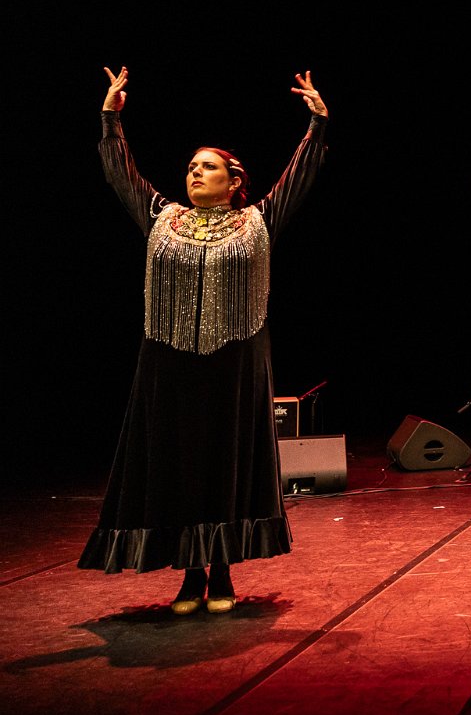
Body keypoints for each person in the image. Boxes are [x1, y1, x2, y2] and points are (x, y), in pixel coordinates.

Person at [79, 65, 329, 616]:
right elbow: (121, 176)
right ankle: (190, 577)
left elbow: (298, 180)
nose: (195, 172)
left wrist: (316, 128)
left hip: (235, 360)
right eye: (191, 166)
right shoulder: (161, 217)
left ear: (234, 181)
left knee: (226, 464)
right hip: (169, 363)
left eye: (207, 166)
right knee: (179, 465)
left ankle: (223, 572)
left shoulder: (257, 221)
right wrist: (110, 121)